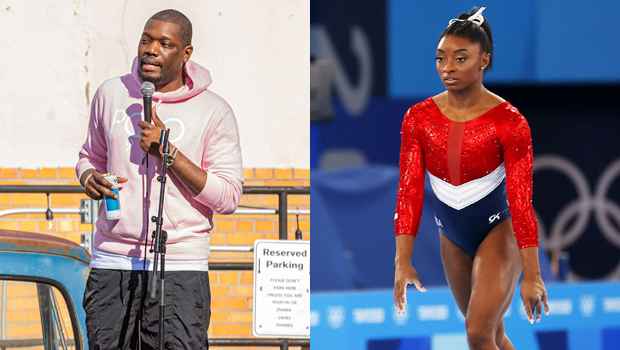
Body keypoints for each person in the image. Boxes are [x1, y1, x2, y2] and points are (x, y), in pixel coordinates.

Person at [75, 9, 243, 349]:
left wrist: (169, 152)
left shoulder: (214, 110)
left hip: (179, 265)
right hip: (113, 260)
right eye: (146, 40)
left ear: (186, 54)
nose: (151, 49)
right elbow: (89, 156)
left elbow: (228, 197)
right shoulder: (110, 94)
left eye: (165, 43)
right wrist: (88, 176)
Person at [393, 7, 548, 350]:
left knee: (477, 332)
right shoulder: (417, 119)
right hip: (451, 236)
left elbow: (522, 201)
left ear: (483, 60)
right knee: (490, 335)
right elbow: (409, 193)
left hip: (496, 233)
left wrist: (533, 274)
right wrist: (402, 261)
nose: (448, 67)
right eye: (441, 58)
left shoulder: (510, 121)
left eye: (460, 58)